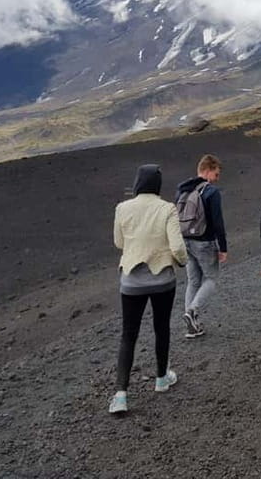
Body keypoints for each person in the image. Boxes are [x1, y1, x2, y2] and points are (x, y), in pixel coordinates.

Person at [109, 164, 187, 414]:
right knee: (161, 328)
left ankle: (120, 395)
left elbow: (119, 242)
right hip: (162, 280)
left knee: (128, 335)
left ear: (137, 183)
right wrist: (181, 262)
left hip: (132, 281)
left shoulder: (122, 208)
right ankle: (161, 379)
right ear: (157, 184)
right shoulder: (167, 208)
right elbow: (177, 247)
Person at [175, 154, 227, 338]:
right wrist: (223, 247)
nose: (217, 178)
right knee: (211, 279)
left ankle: (192, 326)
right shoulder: (211, 192)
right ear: (207, 170)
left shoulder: (182, 190)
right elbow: (217, 222)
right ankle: (192, 311)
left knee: (193, 281)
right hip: (204, 242)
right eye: (216, 174)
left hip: (185, 241)